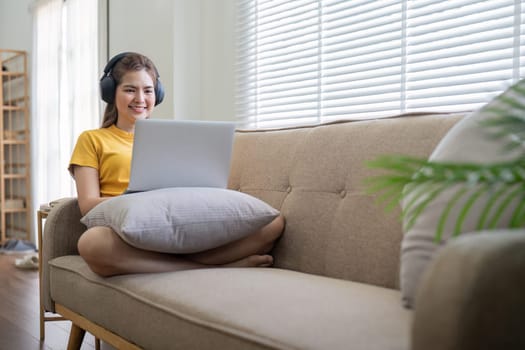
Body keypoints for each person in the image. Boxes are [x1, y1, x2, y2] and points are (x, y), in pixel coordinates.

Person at [69, 52, 284, 277]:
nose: (140, 99)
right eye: (130, 90)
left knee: (274, 222)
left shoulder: (175, 137)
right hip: (127, 232)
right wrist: (131, 202)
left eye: (148, 90)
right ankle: (209, 267)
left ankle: (181, 263)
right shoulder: (92, 139)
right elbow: (87, 205)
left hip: (176, 222)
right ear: (111, 92)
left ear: (158, 94)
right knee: (92, 243)